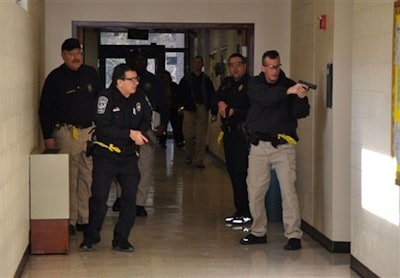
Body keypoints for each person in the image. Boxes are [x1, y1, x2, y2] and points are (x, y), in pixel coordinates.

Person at [240, 50, 310, 251]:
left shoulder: (288, 84)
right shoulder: (255, 84)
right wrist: (289, 92)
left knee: (288, 191)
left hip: (283, 147)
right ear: (263, 67)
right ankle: (258, 231)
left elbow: (301, 113)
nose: (274, 70)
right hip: (258, 146)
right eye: (270, 66)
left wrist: (301, 97)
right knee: (255, 191)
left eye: (277, 66)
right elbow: (264, 98)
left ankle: (294, 235)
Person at [79, 64, 152, 252]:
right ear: (119, 82)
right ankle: (91, 237)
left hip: (128, 157)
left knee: (129, 198)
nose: (136, 82)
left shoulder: (139, 96)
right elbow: (103, 127)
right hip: (106, 156)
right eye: (132, 79)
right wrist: (130, 133)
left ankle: (121, 239)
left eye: (137, 79)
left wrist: (140, 133)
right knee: (99, 198)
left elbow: (147, 116)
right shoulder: (105, 97)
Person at [39, 38, 102, 236]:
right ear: (63, 55)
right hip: (66, 133)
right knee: (68, 177)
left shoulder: (91, 73)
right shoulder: (55, 78)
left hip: (89, 132)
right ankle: (70, 219)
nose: (76, 57)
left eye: (78, 53)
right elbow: (45, 109)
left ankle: (85, 218)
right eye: (71, 53)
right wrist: (47, 136)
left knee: (88, 175)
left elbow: (101, 101)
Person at [112, 51, 169, 217]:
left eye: (144, 59)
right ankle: (121, 198)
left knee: (144, 167)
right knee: (121, 165)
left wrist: (164, 123)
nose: (141, 62)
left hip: (147, 130)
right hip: (124, 131)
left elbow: (164, 103)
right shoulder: (122, 80)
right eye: (137, 59)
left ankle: (139, 203)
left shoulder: (154, 81)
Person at [213, 53, 252, 225]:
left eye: (238, 64)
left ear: (244, 66)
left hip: (243, 135)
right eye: (231, 65)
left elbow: (253, 109)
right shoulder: (227, 83)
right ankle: (240, 210)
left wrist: (235, 111)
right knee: (234, 173)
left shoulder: (251, 84)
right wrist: (220, 102)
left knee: (242, 173)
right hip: (229, 134)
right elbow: (214, 99)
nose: (235, 68)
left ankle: (248, 211)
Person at [177, 56, 216, 168]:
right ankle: (189, 155)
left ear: (202, 64)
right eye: (195, 62)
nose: (197, 64)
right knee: (188, 135)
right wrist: (180, 107)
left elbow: (212, 95)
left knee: (201, 136)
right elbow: (180, 94)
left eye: (199, 62)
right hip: (189, 109)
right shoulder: (186, 79)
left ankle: (199, 160)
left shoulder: (206, 80)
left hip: (202, 108)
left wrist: (213, 111)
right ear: (192, 64)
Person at [159, 70, 184, 147]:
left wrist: (180, 107)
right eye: (164, 77)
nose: (166, 78)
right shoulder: (160, 87)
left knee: (176, 126)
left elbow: (180, 97)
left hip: (173, 108)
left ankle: (179, 141)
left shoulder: (174, 86)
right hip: (163, 109)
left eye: (167, 77)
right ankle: (162, 141)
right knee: (163, 125)